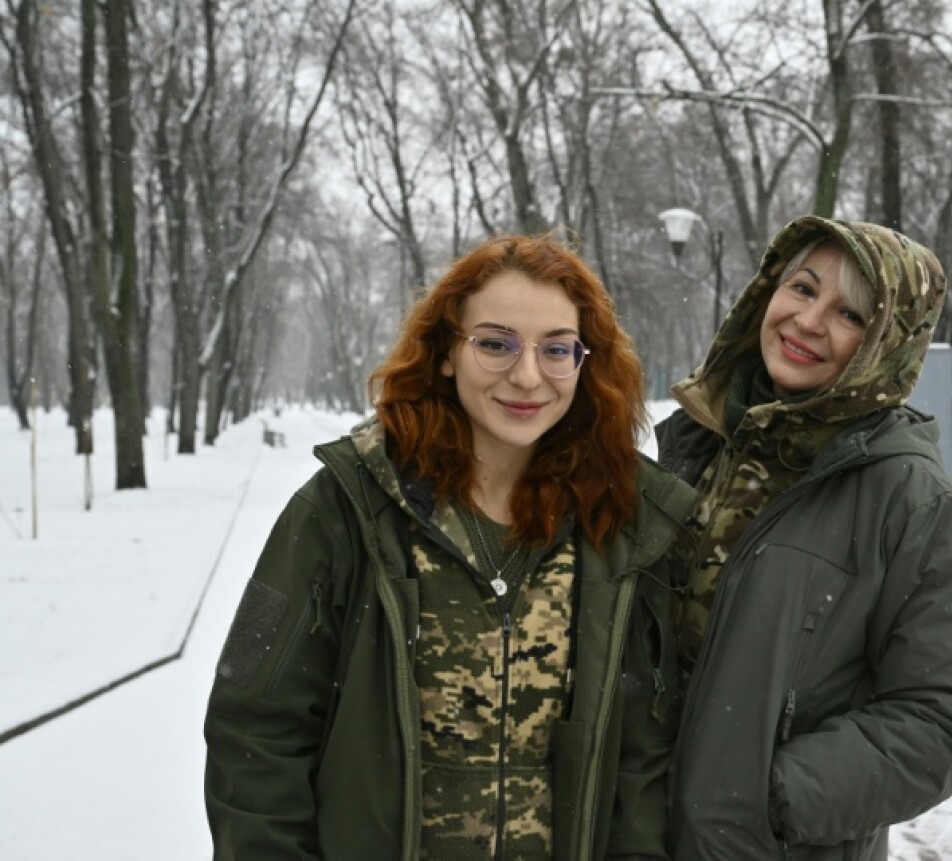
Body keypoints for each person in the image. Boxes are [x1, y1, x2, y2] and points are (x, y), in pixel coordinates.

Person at [204, 234, 695, 860]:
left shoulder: (626, 526)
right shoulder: (342, 511)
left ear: (584, 363)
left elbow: (643, 764)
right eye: (495, 344)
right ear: (445, 353)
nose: (526, 376)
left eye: (556, 350)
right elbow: (255, 731)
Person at [655, 216, 952, 860]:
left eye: (850, 315)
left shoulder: (917, 507)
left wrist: (769, 796)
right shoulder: (691, 450)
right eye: (803, 289)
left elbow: (951, 716)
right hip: (633, 834)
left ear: (889, 344)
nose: (809, 322)